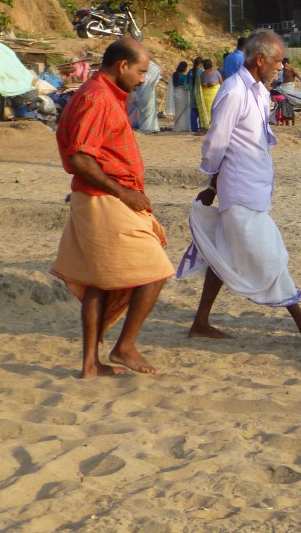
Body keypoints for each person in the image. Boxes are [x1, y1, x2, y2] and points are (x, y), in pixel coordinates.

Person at [177, 29, 301, 343]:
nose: (280, 67)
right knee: (270, 255)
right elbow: (216, 143)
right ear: (261, 59)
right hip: (239, 192)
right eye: (277, 61)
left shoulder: (260, 91)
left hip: (253, 187)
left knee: (223, 254)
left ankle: (200, 322)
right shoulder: (234, 91)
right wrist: (211, 183)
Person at [51, 38, 173, 378]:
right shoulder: (97, 97)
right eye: (140, 71)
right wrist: (124, 192)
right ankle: (124, 346)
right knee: (155, 269)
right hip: (103, 198)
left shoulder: (101, 93)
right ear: (122, 65)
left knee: (98, 281)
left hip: (99, 197)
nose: (142, 79)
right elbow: (80, 157)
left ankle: (90, 364)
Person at [127, 57, 161, 134]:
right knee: (147, 111)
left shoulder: (144, 74)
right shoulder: (148, 75)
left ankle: (149, 127)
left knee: (147, 111)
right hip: (145, 93)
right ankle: (148, 127)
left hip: (144, 93)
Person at [199, 58, 222, 130]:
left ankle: (207, 126)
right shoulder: (216, 72)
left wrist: (207, 84)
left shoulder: (201, 74)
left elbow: (201, 84)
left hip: (205, 94)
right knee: (215, 109)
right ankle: (215, 126)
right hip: (214, 94)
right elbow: (221, 82)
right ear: (211, 65)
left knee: (207, 110)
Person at [171, 61, 191, 133]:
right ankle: (182, 126)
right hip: (182, 94)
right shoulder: (184, 77)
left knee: (177, 110)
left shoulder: (174, 75)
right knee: (183, 111)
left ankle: (177, 125)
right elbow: (186, 86)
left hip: (175, 93)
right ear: (184, 68)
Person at [189, 56, 205, 133]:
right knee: (201, 110)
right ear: (201, 63)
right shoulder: (202, 71)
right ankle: (201, 127)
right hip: (200, 91)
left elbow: (187, 83)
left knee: (193, 110)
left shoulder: (191, 71)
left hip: (192, 92)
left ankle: (193, 127)